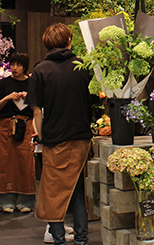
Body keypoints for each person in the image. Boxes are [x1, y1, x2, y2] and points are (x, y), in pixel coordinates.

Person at [26, 23, 94, 245]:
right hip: (81, 137)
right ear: (68, 41)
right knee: (76, 190)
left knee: (53, 191)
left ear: (47, 43)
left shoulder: (40, 70)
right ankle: (82, 239)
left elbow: (36, 111)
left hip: (54, 139)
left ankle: (59, 240)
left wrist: (42, 136)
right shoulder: (82, 66)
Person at [0, 51, 36, 213]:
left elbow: (38, 107)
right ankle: (6, 200)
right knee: (4, 160)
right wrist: (7, 98)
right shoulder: (3, 83)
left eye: (19, 65)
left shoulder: (32, 83)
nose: (15, 68)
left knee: (24, 161)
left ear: (25, 67)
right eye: (13, 64)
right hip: (6, 125)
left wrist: (27, 98)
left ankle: (25, 200)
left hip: (26, 124)